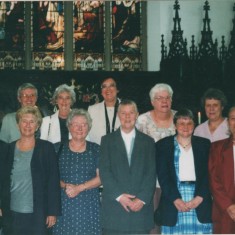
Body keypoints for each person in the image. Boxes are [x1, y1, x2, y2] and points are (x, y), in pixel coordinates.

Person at [0, 106, 61, 235]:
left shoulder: (47, 148)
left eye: (32, 121)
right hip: (11, 212)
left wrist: (52, 211)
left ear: (37, 125)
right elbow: (2, 179)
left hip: (39, 213)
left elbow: (53, 181)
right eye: (24, 121)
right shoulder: (8, 149)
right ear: (18, 125)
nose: (27, 125)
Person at [99, 99, 156, 234]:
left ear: (137, 115)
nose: (127, 117)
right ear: (118, 115)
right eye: (123, 113)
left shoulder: (148, 142)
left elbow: (151, 173)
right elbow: (105, 172)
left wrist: (141, 199)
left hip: (140, 211)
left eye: (131, 113)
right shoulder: (107, 140)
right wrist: (119, 196)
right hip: (114, 211)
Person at [156, 109, 212, 234]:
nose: (185, 127)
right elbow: (163, 176)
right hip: (173, 199)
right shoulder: (163, 145)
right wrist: (176, 199)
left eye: (189, 123)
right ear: (175, 125)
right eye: (181, 123)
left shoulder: (205, 145)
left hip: (199, 199)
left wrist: (199, 197)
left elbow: (209, 174)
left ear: (194, 125)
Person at [52, 108, 101, 235]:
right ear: (69, 126)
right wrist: (65, 185)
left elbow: (101, 177)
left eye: (84, 125)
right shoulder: (56, 148)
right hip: (64, 205)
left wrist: (80, 188)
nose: (80, 128)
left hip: (89, 206)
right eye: (76, 124)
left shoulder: (96, 149)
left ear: (89, 128)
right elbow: (50, 177)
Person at [136, 83, 176, 234]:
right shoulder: (142, 121)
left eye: (167, 98)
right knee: (153, 226)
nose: (164, 101)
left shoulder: (180, 118)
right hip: (151, 181)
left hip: (174, 180)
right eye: (160, 98)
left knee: (173, 223)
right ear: (152, 101)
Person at [208, 106, 235, 233]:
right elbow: (213, 179)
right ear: (228, 122)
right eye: (233, 118)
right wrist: (228, 206)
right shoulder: (217, 148)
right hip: (224, 210)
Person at [88, 77, 120, 145]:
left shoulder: (127, 108)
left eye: (111, 85)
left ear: (117, 89)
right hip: (98, 152)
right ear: (101, 92)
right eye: (104, 86)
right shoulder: (92, 110)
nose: (108, 89)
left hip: (121, 153)